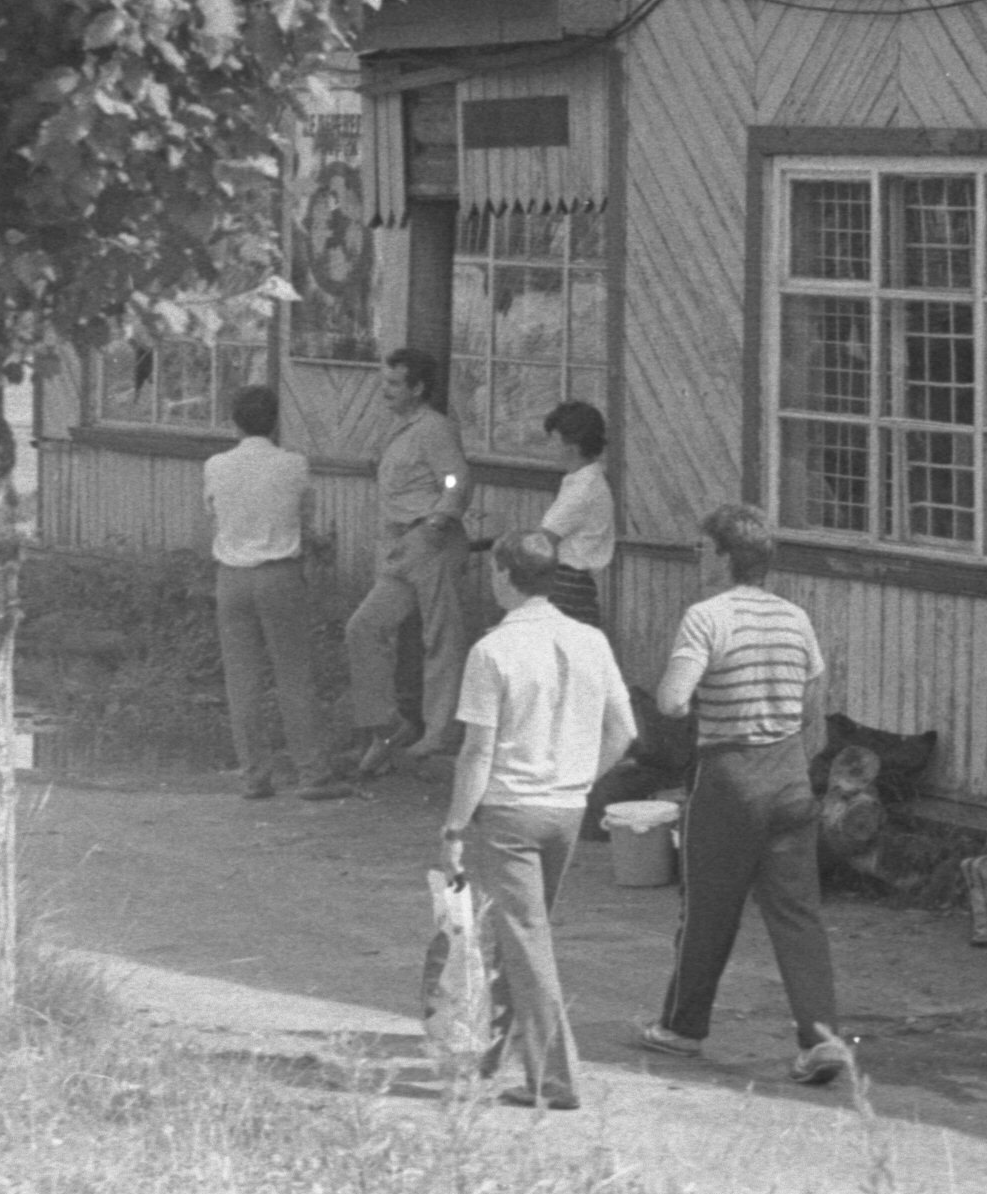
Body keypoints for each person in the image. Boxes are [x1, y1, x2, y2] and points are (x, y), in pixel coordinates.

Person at [634, 502, 854, 1087]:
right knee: (798, 915)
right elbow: (810, 707)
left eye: (705, 548)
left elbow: (673, 701)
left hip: (728, 776)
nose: (699, 557)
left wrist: (693, 688)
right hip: (789, 777)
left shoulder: (706, 618)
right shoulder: (795, 618)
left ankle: (682, 1027)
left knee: (708, 909)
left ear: (726, 556)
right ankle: (821, 1040)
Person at [441, 533, 636, 1112]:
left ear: (503, 574)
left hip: (508, 813)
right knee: (519, 934)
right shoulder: (591, 640)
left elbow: (477, 753)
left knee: (526, 942)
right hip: (566, 812)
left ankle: (555, 1081)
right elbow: (625, 733)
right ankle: (490, 1054)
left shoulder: (492, 651)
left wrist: (454, 828)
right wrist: (579, 781)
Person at [203, 384, 347, 802]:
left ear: (235, 422)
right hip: (280, 575)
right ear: (276, 421)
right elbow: (305, 517)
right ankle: (311, 774)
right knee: (293, 676)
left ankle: (254, 776)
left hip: (231, 577)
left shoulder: (216, 465)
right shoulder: (294, 465)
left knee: (242, 680)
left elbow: (212, 514)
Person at [343, 347, 474, 776]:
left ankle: (440, 731)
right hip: (398, 546)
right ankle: (388, 725)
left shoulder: (434, 428)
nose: (386, 390)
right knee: (364, 627)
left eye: (395, 384)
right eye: (385, 382)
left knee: (441, 637)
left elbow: (454, 476)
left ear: (418, 388)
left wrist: (441, 515)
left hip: (428, 539)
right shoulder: (397, 428)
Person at [532, 399, 616, 629]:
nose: (550, 447)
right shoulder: (581, 481)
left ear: (573, 447)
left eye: (554, 441)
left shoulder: (584, 489)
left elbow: (542, 541)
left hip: (568, 587)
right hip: (569, 584)